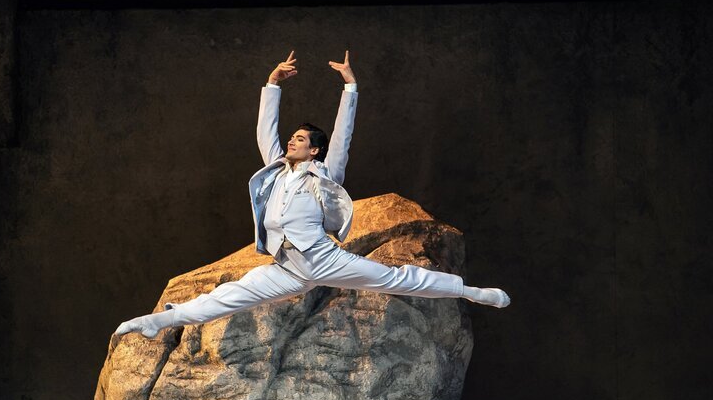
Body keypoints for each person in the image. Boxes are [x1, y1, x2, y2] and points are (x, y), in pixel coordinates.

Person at [115, 50, 510, 339]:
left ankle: (471, 292)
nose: (291, 140)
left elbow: (344, 136)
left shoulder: (325, 173)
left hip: (325, 260)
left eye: (300, 139)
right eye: (293, 137)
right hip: (287, 268)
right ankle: (159, 322)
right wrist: (272, 84)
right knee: (228, 296)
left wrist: (351, 87)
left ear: (315, 150)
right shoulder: (275, 170)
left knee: (399, 279)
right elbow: (265, 132)